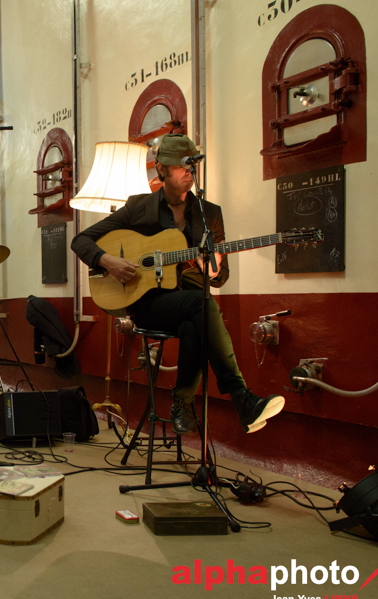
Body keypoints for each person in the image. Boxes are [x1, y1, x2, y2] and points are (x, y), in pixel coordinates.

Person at [71, 133, 284, 435]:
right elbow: (81, 240)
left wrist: (212, 271)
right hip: (147, 304)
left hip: (191, 306)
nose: (188, 172)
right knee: (200, 304)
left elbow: (220, 277)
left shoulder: (210, 214)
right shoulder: (139, 207)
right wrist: (109, 261)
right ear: (161, 169)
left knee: (195, 321)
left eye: (191, 166)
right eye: (180, 166)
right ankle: (240, 397)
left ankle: (182, 404)